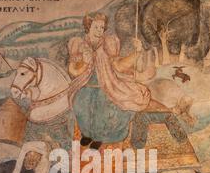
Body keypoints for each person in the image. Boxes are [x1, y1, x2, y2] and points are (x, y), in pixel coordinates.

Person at [68, 13, 186, 150]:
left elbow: (118, 65)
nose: (100, 30)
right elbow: (73, 70)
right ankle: (87, 134)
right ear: (88, 26)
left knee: (103, 105)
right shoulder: (78, 44)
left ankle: (99, 138)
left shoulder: (108, 43)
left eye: (102, 27)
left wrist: (137, 52)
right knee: (79, 103)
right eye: (96, 27)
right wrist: (83, 62)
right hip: (85, 84)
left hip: (107, 84)